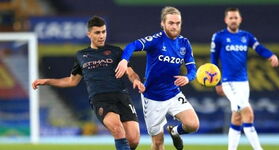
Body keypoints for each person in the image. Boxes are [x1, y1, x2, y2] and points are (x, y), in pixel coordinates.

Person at [32, 16, 145, 150]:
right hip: (100, 99)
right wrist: (46, 81)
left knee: (133, 140)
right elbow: (71, 81)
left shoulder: (116, 52)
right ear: (89, 34)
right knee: (117, 129)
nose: (101, 36)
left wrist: (136, 80)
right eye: (97, 32)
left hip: (121, 96)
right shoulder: (81, 55)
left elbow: (130, 72)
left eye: (104, 32)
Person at [115, 6, 199, 150]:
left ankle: (175, 131)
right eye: (171, 23)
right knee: (158, 143)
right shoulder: (156, 40)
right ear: (163, 24)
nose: (175, 26)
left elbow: (192, 69)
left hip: (173, 93)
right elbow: (132, 46)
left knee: (193, 125)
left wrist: (188, 78)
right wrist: (124, 60)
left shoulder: (184, 43)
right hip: (152, 98)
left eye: (178, 23)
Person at [210, 8, 279, 150]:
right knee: (248, 112)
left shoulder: (246, 36)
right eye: (231, 18)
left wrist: (270, 55)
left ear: (240, 19)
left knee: (237, 117)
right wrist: (217, 82)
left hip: (243, 82)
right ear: (226, 20)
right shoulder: (219, 37)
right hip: (228, 82)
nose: (233, 20)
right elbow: (213, 60)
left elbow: (259, 48)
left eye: (236, 17)